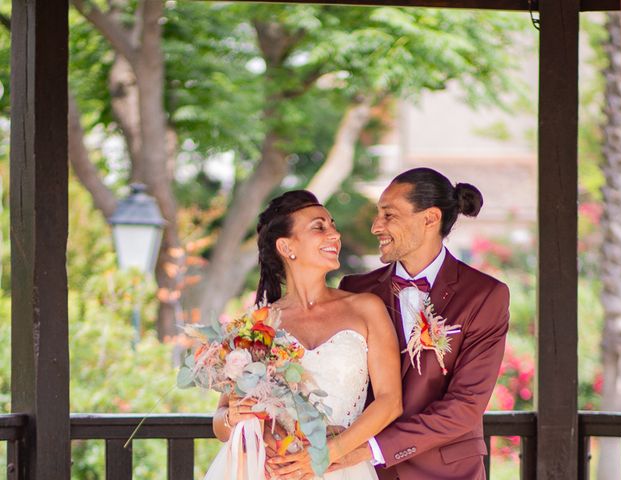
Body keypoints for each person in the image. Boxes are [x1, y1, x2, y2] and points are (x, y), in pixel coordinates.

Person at [207, 190, 403, 480]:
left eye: (332, 225)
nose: (334, 234)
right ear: (286, 247)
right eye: (319, 227)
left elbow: (390, 402)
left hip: (341, 467)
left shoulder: (366, 308)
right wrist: (233, 416)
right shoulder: (258, 324)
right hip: (269, 469)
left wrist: (326, 455)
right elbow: (220, 423)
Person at [334, 168, 510, 480]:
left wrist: (372, 449)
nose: (376, 226)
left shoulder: (485, 296)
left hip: (447, 472)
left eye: (389, 215)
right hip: (362, 473)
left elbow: (465, 407)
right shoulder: (354, 289)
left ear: (429, 219)